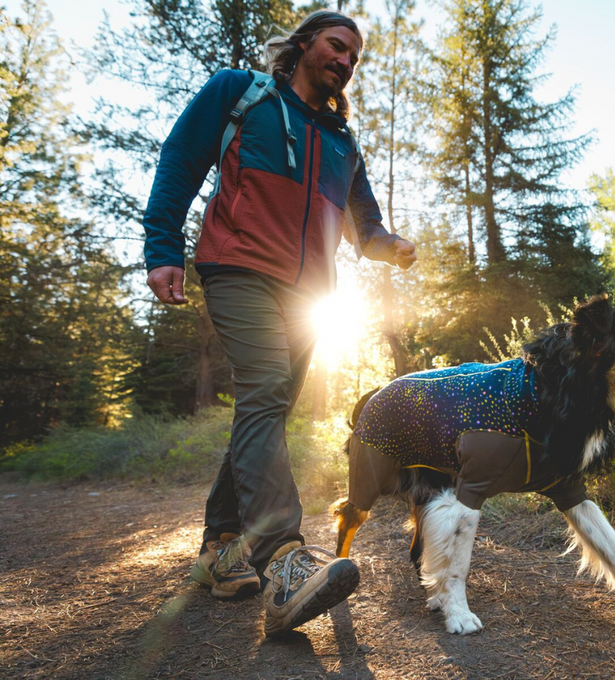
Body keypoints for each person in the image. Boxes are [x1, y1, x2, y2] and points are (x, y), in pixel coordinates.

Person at [141, 10, 416, 636]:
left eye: (355, 56)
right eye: (336, 45)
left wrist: (389, 244)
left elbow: (364, 226)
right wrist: (162, 249)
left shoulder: (343, 142)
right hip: (238, 268)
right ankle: (284, 561)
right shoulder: (239, 94)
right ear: (303, 45)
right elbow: (181, 160)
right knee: (264, 388)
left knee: (265, 406)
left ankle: (219, 548)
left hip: (311, 296)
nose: (346, 61)